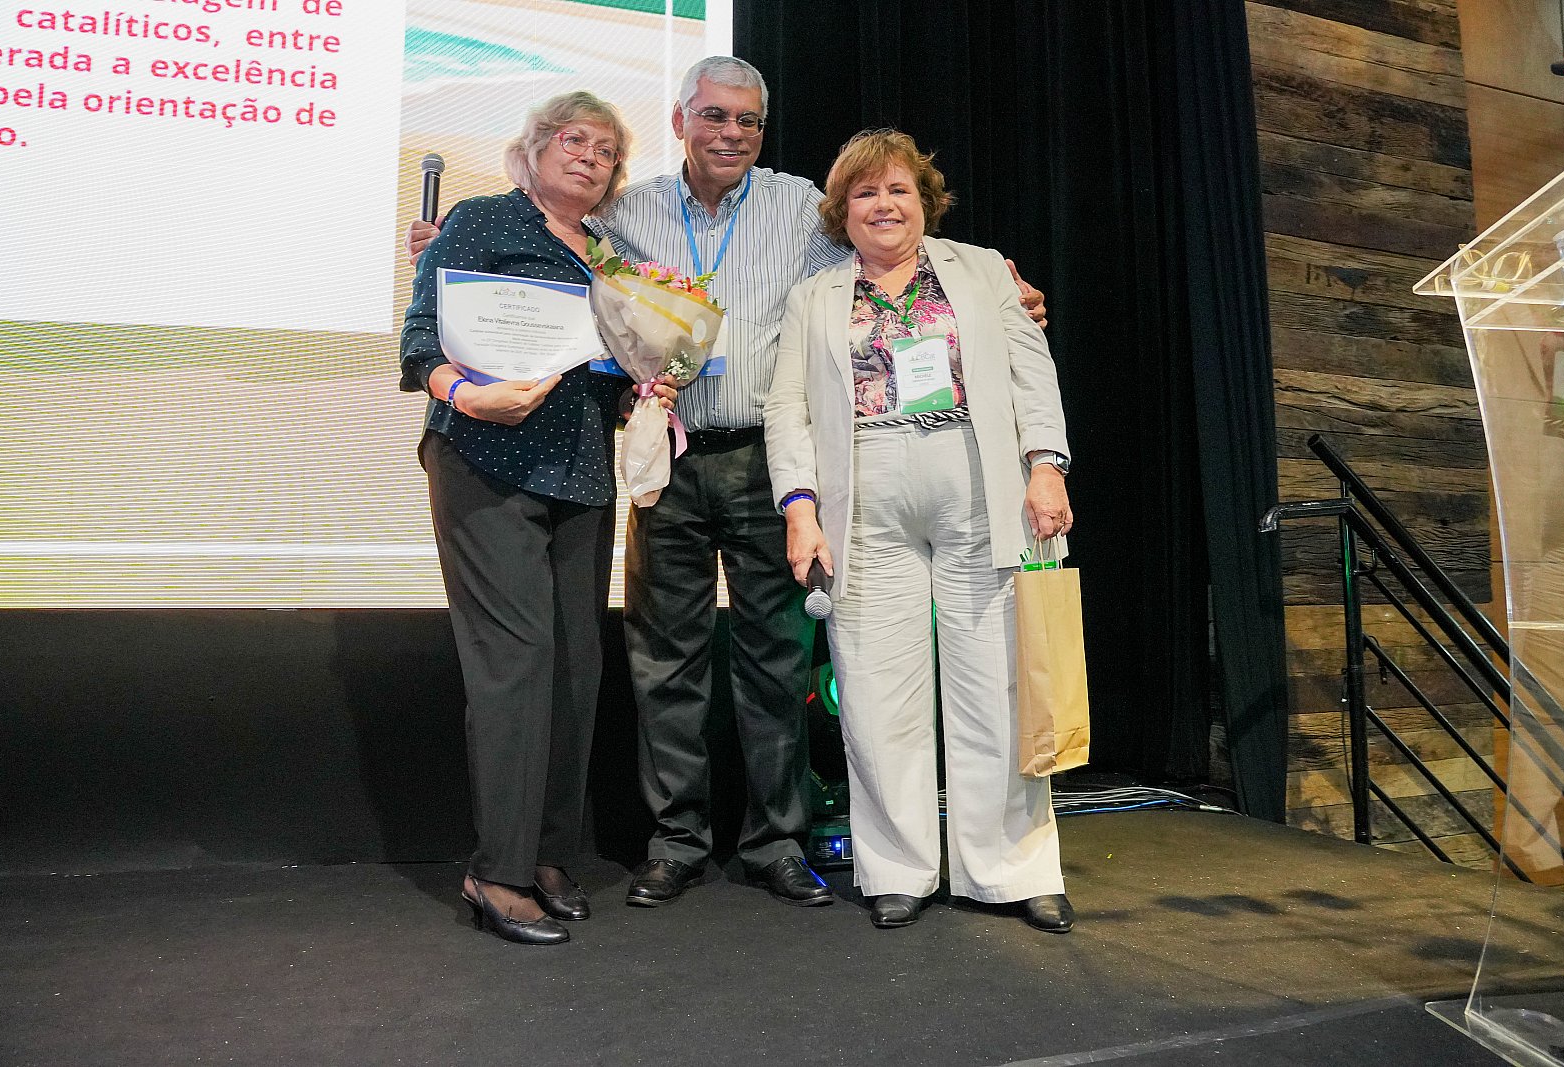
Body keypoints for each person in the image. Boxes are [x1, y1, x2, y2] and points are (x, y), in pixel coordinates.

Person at [407, 57, 1048, 912]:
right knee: (664, 660)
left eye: (748, 121)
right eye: (713, 116)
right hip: (665, 457)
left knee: (775, 660)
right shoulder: (622, 213)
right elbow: (540, 237)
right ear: (680, 123)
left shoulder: (803, 208)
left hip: (768, 460)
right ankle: (676, 843)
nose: (731, 133)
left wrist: (996, 286)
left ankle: (776, 841)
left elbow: (892, 243)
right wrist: (447, 245)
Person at [763, 129, 1077, 933]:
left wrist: (1046, 464)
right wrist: (800, 507)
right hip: (863, 489)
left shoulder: (982, 269)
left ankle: (1011, 867)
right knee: (875, 690)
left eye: (898, 189)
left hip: (977, 482)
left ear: (925, 200)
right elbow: (788, 407)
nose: (884, 204)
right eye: (865, 193)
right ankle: (897, 867)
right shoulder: (814, 296)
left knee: (998, 683)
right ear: (842, 211)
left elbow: (1031, 370)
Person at [398, 91, 669, 945]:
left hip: (581, 471)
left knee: (575, 670)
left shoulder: (612, 254)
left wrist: (650, 384)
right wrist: (465, 394)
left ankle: (550, 855)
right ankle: (497, 870)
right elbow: (420, 340)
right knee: (514, 663)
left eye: (606, 150)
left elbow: (608, 367)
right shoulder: (482, 220)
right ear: (537, 148)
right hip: (485, 460)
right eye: (573, 140)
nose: (589, 157)